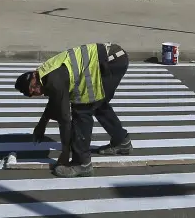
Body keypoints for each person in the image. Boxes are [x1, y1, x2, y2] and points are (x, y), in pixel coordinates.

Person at [14, 42, 131, 177]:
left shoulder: (54, 80)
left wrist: (65, 153)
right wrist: (42, 124)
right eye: (33, 93)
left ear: (34, 75)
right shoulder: (45, 74)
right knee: (97, 102)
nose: (36, 91)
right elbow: (55, 100)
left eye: (34, 87)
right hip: (114, 57)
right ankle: (122, 141)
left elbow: (65, 120)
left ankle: (82, 163)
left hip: (110, 62)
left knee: (82, 109)